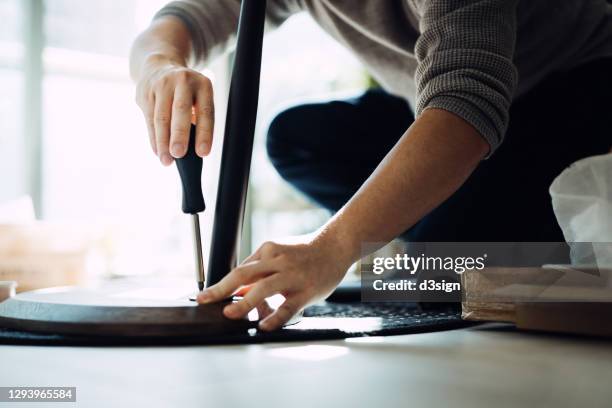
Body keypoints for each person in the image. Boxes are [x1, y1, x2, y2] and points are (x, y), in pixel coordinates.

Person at [130, 0, 612, 331]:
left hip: (572, 91)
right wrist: (160, 66)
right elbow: (187, 18)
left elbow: (467, 100)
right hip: (436, 107)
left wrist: (332, 247)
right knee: (296, 140)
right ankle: (445, 214)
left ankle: (471, 231)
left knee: (437, 272)